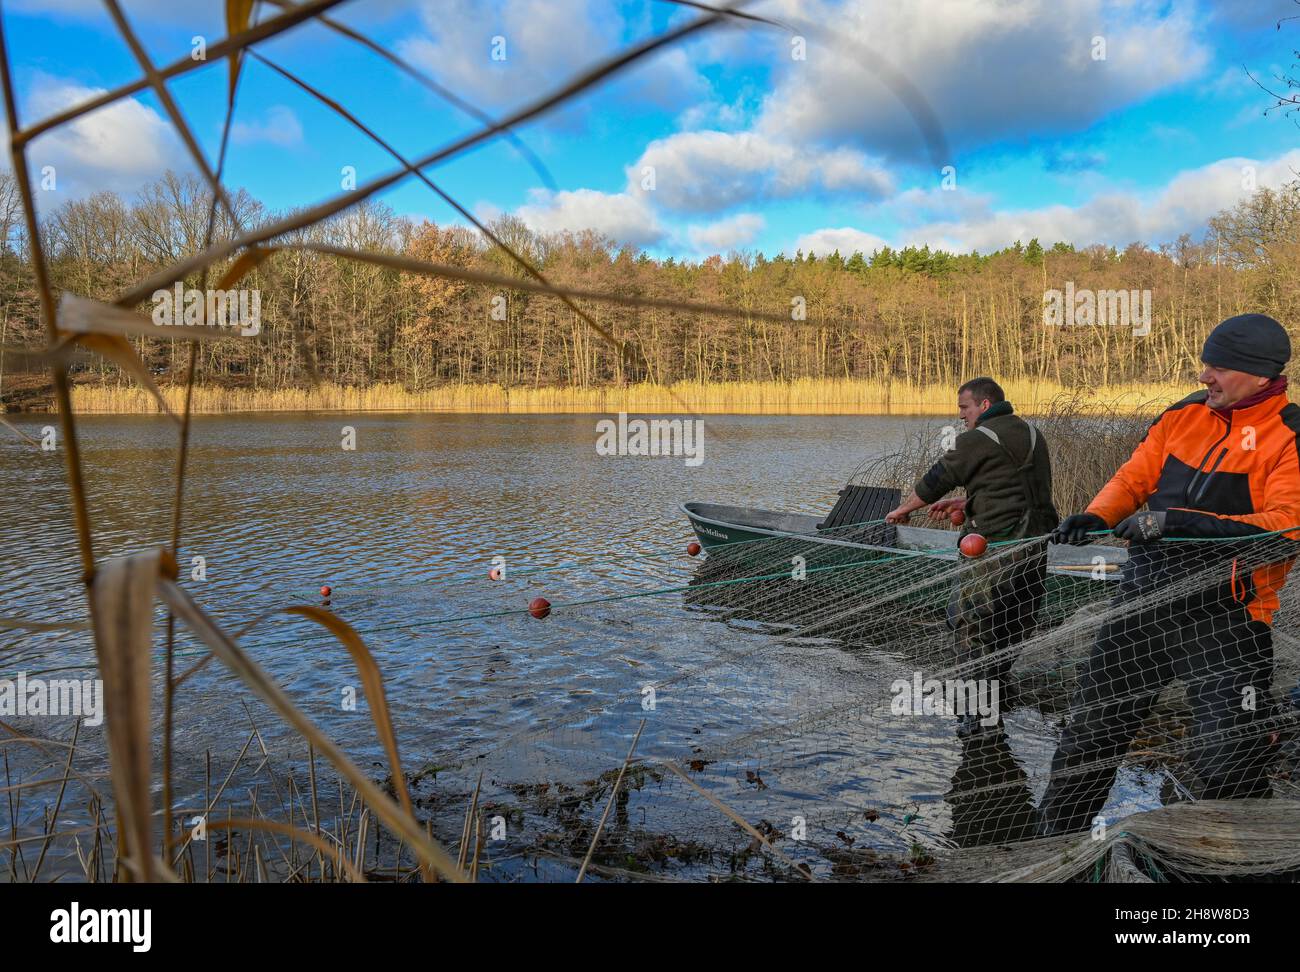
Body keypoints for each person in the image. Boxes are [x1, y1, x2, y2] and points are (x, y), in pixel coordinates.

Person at [1040, 313, 1300, 834]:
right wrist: (1100, 514)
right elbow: (1135, 476)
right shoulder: (1183, 414)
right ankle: (1057, 841)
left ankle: (1244, 859)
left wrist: (1177, 522)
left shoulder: (1290, 434)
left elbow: (1287, 527)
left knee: (1225, 757)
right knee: (1088, 736)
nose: (1205, 376)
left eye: (1219, 367)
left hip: (1228, 620)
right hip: (1141, 603)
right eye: (1206, 364)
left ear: (1261, 374)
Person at [886, 377, 1059, 734]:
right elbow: (1016, 487)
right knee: (1015, 621)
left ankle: (974, 714)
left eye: (964, 407)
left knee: (971, 626)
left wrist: (903, 510)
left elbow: (936, 479)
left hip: (993, 549)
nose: (961, 416)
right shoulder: (1031, 434)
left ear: (983, 404)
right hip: (1035, 546)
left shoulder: (975, 439)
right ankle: (999, 696)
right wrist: (969, 502)